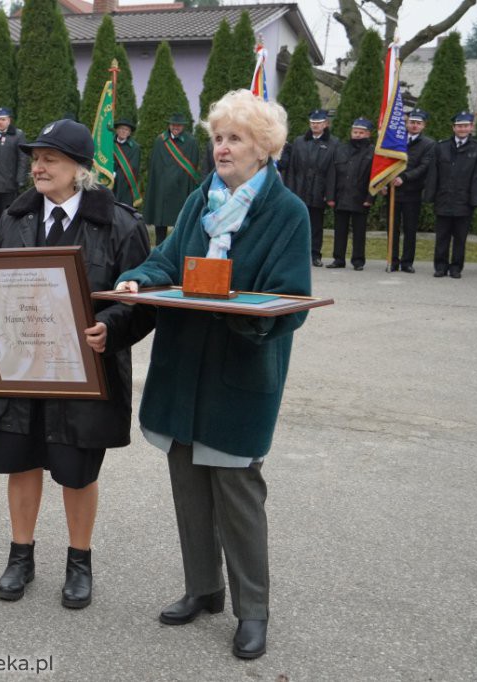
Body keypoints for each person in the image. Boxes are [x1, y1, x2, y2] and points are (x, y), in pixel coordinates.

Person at [116, 90, 312, 660]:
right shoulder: (202, 199)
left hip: (238, 370)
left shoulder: (287, 212)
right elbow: (168, 261)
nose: (222, 149)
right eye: (219, 138)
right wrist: (136, 278)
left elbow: (291, 298)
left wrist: (242, 313)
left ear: (264, 148)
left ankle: (254, 611)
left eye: (235, 139)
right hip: (183, 369)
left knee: (237, 494)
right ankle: (204, 589)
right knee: (188, 486)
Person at [0, 119, 153, 609]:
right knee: (20, 461)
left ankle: (79, 562)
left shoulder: (121, 225)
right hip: (19, 368)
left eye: (51, 158)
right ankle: (20, 557)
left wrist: (111, 327)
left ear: (80, 169)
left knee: (76, 470)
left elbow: (141, 303)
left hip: (85, 373)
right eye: (35, 158)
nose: (38, 167)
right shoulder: (14, 219)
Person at [424, 111, 477, 279]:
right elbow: (433, 174)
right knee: (442, 236)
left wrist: (475, 200)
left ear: (471, 127)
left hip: (464, 201)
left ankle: (456, 267)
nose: (462, 129)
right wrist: (430, 196)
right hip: (444, 198)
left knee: (460, 237)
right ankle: (440, 266)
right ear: (453, 128)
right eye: (459, 126)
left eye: (465, 126)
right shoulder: (441, 147)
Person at [285, 109, 338, 267]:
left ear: (325, 124)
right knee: (298, 224)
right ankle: (297, 254)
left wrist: (329, 194)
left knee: (316, 225)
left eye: (319, 123)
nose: (315, 126)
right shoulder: (299, 141)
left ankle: (315, 255)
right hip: (300, 189)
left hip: (318, 189)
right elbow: (292, 169)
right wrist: (290, 191)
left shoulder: (333, 143)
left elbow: (332, 171)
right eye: (313, 123)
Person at [388, 109, 436, 273]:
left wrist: (405, 178)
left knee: (410, 229)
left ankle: (407, 262)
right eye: (412, 122)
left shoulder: (429, 144)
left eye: (418, 123)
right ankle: (392, 260)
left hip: (412, 192)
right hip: (393, 191)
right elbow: (387, 161)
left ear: (423, 125)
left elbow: (424, 166)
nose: (414, 125)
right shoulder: (396, 140)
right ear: (406, 123)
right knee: (393, 228)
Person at [325, 118, 376, 271]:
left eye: (361, 132)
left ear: (368, 134)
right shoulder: (340, 148)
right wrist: (330, 196)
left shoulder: (372, 151)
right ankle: (338, 259)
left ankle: (358, 260)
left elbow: (374, 177)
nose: (358, 135)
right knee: (340, 231)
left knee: (359, 232)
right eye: (355, 132)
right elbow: (332, 174)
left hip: (361, 198)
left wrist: (370, 197)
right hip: (341, 196)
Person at [145, 113, 201, 245]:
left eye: (179, 125)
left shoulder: (191, 142)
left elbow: (192, 170)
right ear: (169, 125)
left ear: (183, 127)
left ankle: (177, 248)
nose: (175, 127)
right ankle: (159, 248)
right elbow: (155, 166)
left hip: (180, 188)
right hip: (162, 188)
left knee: (180, 221)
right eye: (173, 124)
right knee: (160, 221)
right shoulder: (160, 141)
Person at [111, 118, 143, 208]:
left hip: (124, 183)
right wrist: (110, 172)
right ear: (117, 130)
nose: (123, 131)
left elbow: (133, 168)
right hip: (108, 179)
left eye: (126, 130)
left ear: (129, 133)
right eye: (121, 128)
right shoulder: (109, 143)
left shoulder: (135, 148)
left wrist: (117, 175)